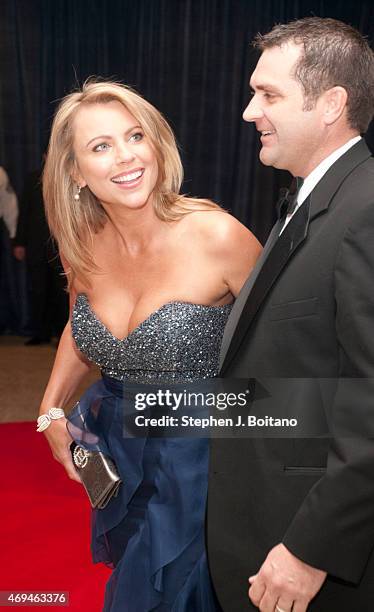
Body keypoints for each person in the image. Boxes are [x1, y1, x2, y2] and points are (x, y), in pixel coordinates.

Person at [38, 80, 261, 611]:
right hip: (121, 456)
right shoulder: (82, 248)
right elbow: (82, 328)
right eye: (101, 146)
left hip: (207, 472)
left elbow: (290, 346)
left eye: (135, 135)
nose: (127, 156)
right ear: (74, 172)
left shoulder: (217, 236)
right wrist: (49, 408)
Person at [208, 17, 374, 612]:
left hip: (311, 559)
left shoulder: (366, 209)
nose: (251, 111)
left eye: (268, 94)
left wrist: (311, 549)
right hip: (260, 526)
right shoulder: (314, 197)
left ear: (331, 104)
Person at [13, 165, 68, 344]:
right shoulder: (33, 178)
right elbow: (24, 212)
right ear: (44, 157)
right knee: (38, 291)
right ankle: (40, 333)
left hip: (63, 245)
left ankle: (63, 335)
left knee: (62, 292)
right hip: (36, 245)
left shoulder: (67, 175)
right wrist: (19, 242)